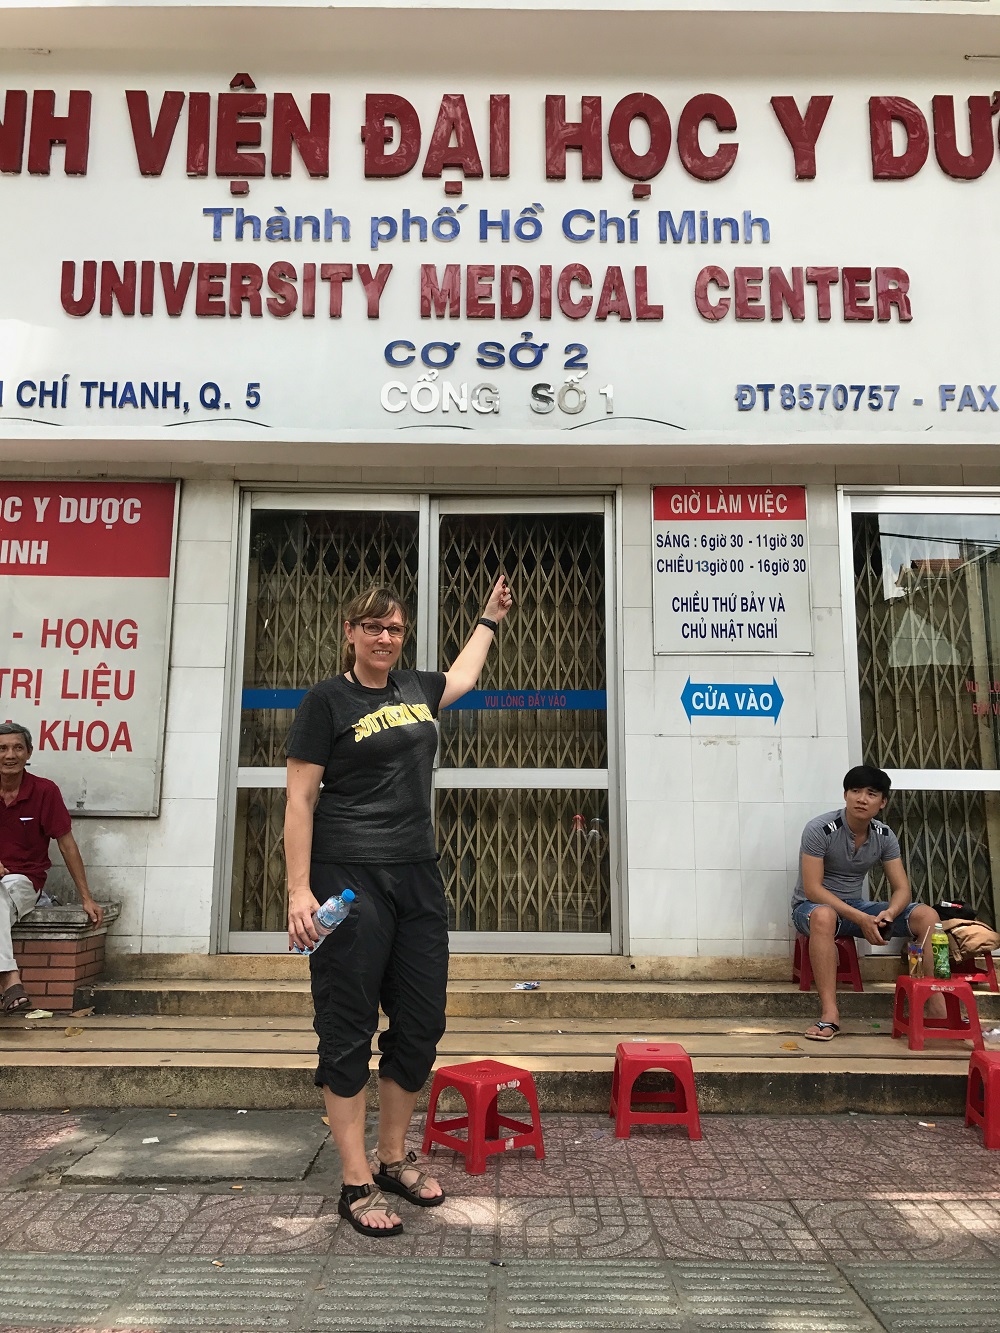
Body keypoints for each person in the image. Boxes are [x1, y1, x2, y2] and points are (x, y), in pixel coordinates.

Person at [284, 575, 513, 1237]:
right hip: (347, 875)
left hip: (417, 873)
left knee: (420, 1021)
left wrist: (488, 619)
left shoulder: (415, 687)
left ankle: (391, 1158)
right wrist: (299, 890)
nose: (384, 637)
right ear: (350, 633)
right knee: (348, 1023)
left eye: (393, 628)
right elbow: (299, 799)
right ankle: (355, 1178)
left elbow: (462, 676)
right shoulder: (326, 700)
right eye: (372, 627)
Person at [791, 764, 941, 1041]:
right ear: (845, 795)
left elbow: (902, 889)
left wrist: (889, 913)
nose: (862, 799)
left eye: (871, 794)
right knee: (824, 915)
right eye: (855, 791)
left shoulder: (884, 835)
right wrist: (860, 918)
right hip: (810, 909)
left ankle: (935, 1005)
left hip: (854, 907)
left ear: (882, 802)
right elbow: (813, 889)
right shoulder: (820, 829)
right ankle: (830, 1015)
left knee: (927, 916)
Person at [0, 722, 103, 1015]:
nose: (10, 755)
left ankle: (9, 978)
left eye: (17, 748)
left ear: (29, 752)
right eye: (2, 748)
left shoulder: (44, 791)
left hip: (22, 880)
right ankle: (9, 981)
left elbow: (67, 845)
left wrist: (86, 897)